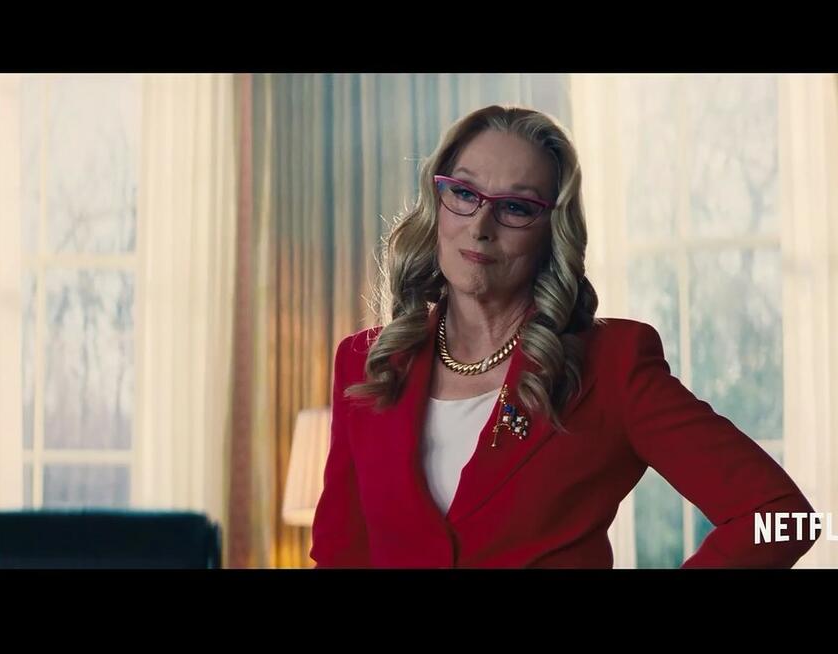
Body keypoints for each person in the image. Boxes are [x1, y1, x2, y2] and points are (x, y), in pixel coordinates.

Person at [310, 104, 816, 568]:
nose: (481, 225)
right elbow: (339, 554)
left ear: (553, 231)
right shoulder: (366, 362)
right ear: (435, 203)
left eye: (516, 207)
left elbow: (784, 517)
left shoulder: (613, 365)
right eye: (463, 193)